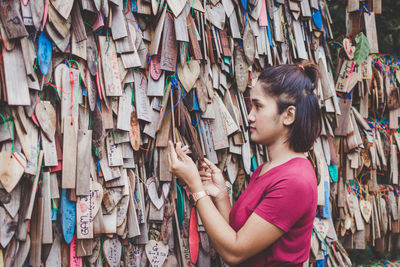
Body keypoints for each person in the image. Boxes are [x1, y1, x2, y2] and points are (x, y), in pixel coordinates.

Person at [168, 62, 321, 266]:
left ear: (289, 115)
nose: (250, 116)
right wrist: (221, 195)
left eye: (258, 106)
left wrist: (196, 187)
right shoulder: (268, 169)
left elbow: (235, 252)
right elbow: (239, 234)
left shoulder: (295, 181)